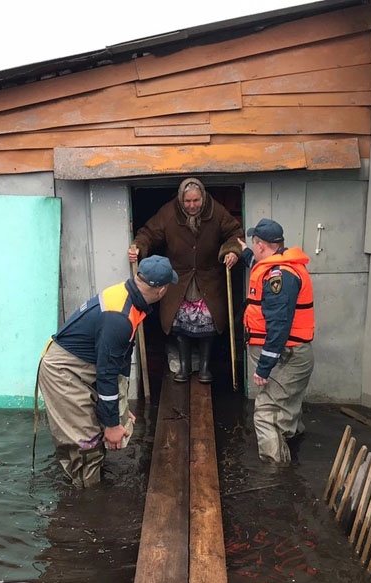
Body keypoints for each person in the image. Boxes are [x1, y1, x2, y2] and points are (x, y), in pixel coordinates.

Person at [38, 255, 178, 487]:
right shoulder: (118, 317)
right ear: (162, 291)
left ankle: (88, 487)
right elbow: (106, 373)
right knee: (87, 442)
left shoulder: (127, 296)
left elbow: (118, 364)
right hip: (63, 372)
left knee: (95, 434)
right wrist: (112, 425)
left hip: (83, 367)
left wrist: (120, 409)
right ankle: (89, 504)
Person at [127, 177, 244, 384]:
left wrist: (232, 250)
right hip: (178, 278)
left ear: (203, 197)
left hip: (209, 276)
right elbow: (148, 233)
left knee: (209, 324)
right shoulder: (168, 213)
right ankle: (185, 366)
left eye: (196, 201)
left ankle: (206, 368)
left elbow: (235, 233)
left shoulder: (216, 211)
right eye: (187, 201)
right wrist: (138, 246)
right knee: (179, 323)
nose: (192, 205)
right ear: (181, 199)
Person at [232, 218, 315, 465]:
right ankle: (293, 445)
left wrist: (264, 367)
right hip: (289, 354)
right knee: (286, 406)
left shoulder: (281, 277)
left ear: (261, 246)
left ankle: (275, 476)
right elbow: (260, 266)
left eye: (254, 244)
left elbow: (279, 326)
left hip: (285, 355)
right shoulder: (279, 264)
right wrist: (245, 253)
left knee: (266, 415)